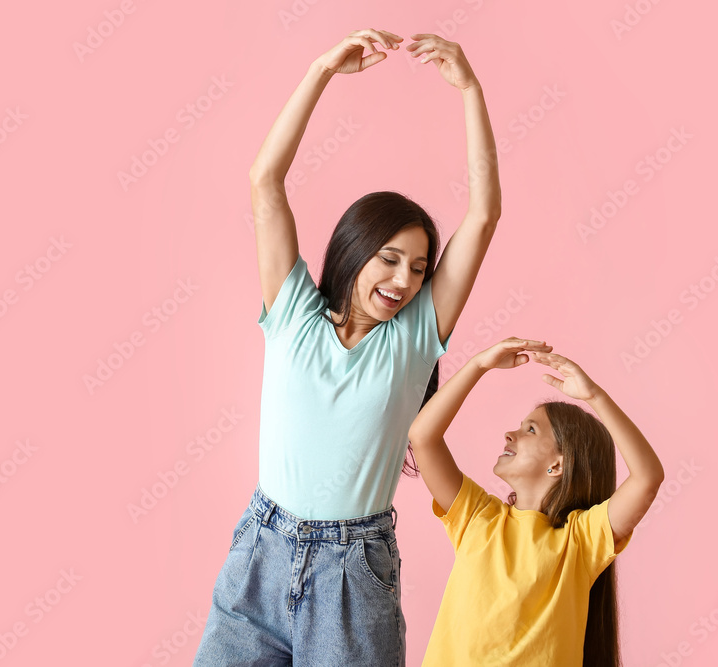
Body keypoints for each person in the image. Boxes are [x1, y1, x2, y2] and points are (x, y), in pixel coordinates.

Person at [193, 29, 501, 666]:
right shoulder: (293, 314)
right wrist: (320, 72)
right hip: (261, 552)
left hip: (351, 573)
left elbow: (483, 215)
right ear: (356, 250)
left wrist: (470, 89)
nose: (403, 281)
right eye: (389, 259)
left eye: (418, 268)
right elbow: (264, 181)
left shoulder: (414, 338)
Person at [407, 337, 665, 666]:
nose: (509, 435)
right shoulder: (477, 517)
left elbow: (647, 478)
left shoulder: (580, 541)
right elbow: (422, 436)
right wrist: (478, 365)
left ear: (558, 464)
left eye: (530, 430)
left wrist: (595, 396)